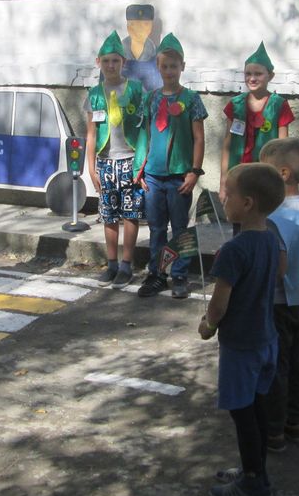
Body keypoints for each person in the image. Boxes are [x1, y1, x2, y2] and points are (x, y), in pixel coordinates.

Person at [198, 162, 286, 496]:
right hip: (266, 339)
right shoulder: (270, 238)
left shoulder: (234, 250)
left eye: (229, 193)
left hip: (241, 344)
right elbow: (277, 274)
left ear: (247, 203)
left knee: (242, 412)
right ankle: (256, 470)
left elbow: (219, 305)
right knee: (257, 408)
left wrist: (208, 325)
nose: (223, 198)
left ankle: (253, 482)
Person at [259, 138, 299, 449]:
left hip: (279, 301)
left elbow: (276, 268)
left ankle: (274, 430)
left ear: (283, 173)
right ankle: (295, 421)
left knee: (277, 366)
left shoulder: (274, 216)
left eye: (265, 171)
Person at [138, 33, 207, 299]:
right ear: (158, 66)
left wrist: (194, 171)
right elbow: (144, 135)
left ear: (182, 67)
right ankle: (157, 274)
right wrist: (139, 170)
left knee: (179, 229)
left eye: (174, 66)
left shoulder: (191, 99)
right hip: (153, 176)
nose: (169, 71)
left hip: (180, 176)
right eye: (165, 66)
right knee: (156, 228)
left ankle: (180, 275)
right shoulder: (150, 98)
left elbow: (199, 138)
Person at [84, 31, 147, 288]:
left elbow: (144, 128)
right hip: (105, 161)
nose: (111, 65)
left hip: (130, 160)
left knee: (130, 213)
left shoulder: (135, 90)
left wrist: (141, 162)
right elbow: (91, 134)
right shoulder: (94, 94)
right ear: (98, 62)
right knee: (109, 214)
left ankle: (126, 264)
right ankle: (111, 264)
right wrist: (91, 168)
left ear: (124, 62)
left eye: (116, 61)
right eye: (106, 61)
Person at [219, 42, 294, 205]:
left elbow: (283, 147)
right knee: (238, 214)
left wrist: (282, 183)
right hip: (238, 174)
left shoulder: (279, 105)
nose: (252, 78)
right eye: (248, 74)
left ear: (270, 76)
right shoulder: (235, 105)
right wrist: (223, 181)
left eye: (258, 74)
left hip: (266, 177)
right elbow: (227, 145)